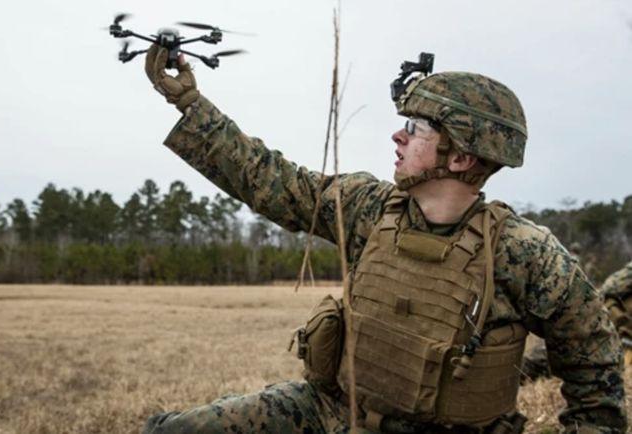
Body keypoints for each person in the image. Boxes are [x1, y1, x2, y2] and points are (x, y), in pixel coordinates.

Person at [140, 45, 626, 434]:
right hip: (335, 413)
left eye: (416, 128)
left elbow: (595, 368)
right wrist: (190, 104)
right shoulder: (367, 208)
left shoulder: (525, 254)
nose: (397, 135)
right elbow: (270, 179)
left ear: (458, 157)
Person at [521, 260, 632, 380]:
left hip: (623, 335)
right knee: (564, 353)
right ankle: (524, 370)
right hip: (609, 324)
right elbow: (609, 288)